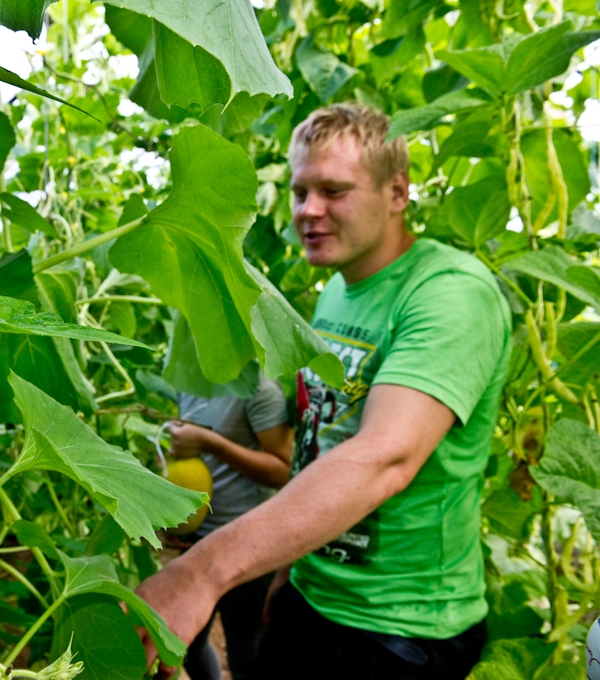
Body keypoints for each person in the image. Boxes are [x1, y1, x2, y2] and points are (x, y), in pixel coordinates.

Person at [136, 103, 512, 679]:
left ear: (397, 193)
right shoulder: (339, 288)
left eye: (334, 191)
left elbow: (383, 458)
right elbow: (323, 440)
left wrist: (200, 572)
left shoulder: (450, 293)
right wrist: (290, 567)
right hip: (310, 594)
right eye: (299, 191)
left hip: (397, 628)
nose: (309, 211)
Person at [169, 374, 294, 680]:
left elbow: (283, 468)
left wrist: (211, 444)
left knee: (246, 652)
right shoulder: (188, 376)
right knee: (185, 644)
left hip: (248, 539)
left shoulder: (259, 388)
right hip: (199, 535)